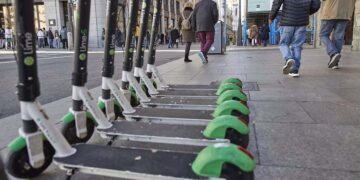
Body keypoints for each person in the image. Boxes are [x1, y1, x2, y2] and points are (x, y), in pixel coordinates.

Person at [269, 0, 320, 77]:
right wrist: (306, 12)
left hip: (287, 22)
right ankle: (294, 70)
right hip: (302, 23)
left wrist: (271, 16)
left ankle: (288, 58)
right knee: (297, 46)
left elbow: (277, 2)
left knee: (283, 44)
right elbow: (316, 4)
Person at [320, 0, 356, 69]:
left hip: (329, 12)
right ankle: (335, 63)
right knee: (338, 38)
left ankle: (333, 53)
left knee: (323, 34)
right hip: (345, 14)